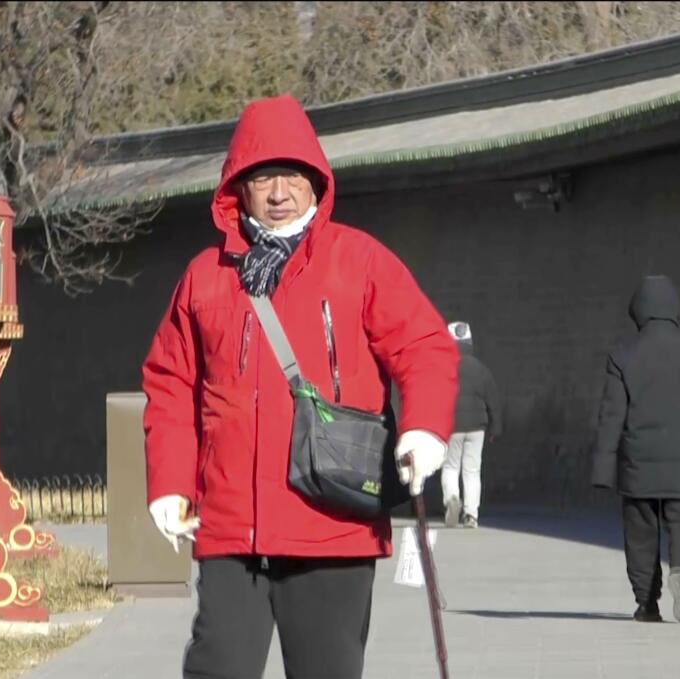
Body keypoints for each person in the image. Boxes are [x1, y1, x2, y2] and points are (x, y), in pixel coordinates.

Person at [141, 94, 458, 679]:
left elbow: (423, 345)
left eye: (291, 177)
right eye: (263, 178)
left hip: (332, 523)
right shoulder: (205, 278)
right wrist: (169, 482)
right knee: (216, 669)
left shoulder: (358, 261)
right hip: (232, 529)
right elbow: (171, 382)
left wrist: (424, 428)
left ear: (317, 182)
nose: (279, 193)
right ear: (237, 187)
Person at [590, 275, 680, 624]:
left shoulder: (622, 355)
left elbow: (611, 416)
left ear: (638, 311)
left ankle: (646, 603)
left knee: (641, 533)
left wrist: (603, 470)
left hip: (638, 464)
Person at [441, 321, 502, 529]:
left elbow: (435, 398)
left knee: (450, 467)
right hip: (477, 427)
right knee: (472, 470)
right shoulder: (481, 370)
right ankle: (471, 514)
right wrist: (496, 428)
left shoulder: (444, 369)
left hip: (452, 426)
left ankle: (451, 499)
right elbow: (493, 401)